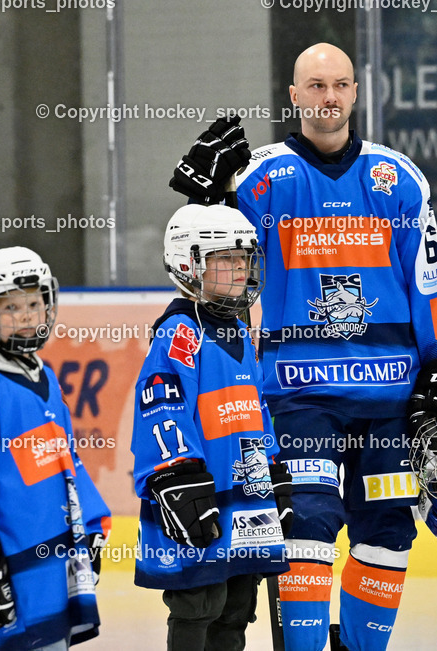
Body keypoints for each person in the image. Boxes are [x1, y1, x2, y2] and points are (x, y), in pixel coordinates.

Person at [168, 43, 437, 651]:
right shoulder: (260, 175)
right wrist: (205, 196)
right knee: (305, 526)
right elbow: (212, 256)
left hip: (389, 397)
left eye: (339, 85)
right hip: (297, 395)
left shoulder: (398, 176)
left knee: (385, 533)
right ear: (294, 95)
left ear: (356, 92)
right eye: (315, 86)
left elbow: (428, 281)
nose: (328, 97)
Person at [0, 246, 111, 651]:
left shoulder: (44, 374)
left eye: (34, 302)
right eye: (10, 307)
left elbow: (66, 460)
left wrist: (91, 527)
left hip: (56, 556)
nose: (27, 315)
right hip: (13, 562)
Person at [130, 204, 292, 650]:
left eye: (243, 260)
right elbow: (162, 405)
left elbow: (255, 409)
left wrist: (273, 475)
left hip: (244, 494)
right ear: (188, 265)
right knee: (199, 601)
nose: (239, 271)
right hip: (200, 495)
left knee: (238, 605)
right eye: (225, 260)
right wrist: (176, 474)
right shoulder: (181, 331)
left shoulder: (239, 328)